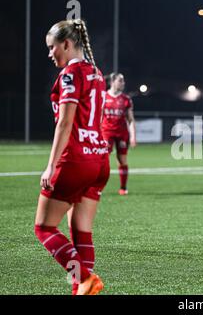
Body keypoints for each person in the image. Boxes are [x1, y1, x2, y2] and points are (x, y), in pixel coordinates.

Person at [35, 19, 109, 295]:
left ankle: (85, 279)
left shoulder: (70, 74)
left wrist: (51, 165)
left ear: (66, 44)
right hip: (99, 159)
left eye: (52, 47)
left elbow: (65, 123)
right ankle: (82, 288)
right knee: (80, 230)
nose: (50, 53)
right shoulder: (97, 72)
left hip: (75, 159)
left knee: (44, 227)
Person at [102, 73, 137, 195]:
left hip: (122, 133)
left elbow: (131, 120)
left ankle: (123, 187)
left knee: (122, 160)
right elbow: (98, 117)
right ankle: (98, 187)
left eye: (123, 81)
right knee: (103, 159)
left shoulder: (126, 99)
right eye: (120, 80)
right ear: (112, 82)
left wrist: (133, 136)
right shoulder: (103, 97)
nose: (123, 83)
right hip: (106, 132)